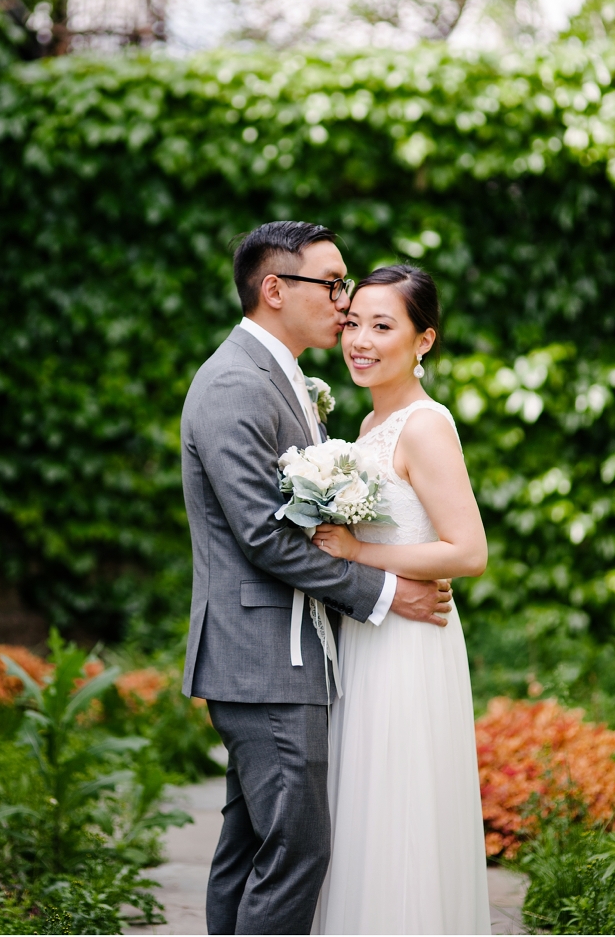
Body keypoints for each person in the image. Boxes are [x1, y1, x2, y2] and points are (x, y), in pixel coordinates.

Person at [181, 223, 453, 936]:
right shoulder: (236, 381)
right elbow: (266, 537)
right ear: (275, 289)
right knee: (297, 851)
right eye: (333, 286)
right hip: (264, 657)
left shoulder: (287, 378)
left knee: (254, 851)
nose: (343, 302)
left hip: (292, 654)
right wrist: (388, 593)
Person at [311, 264, 492, 935]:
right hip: (370, 633)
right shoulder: (366, 422)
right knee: (366, 809)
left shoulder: (424, 424)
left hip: (410, 644)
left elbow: (467, 551)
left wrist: (359, 554)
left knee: (402, 810)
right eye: (353, 322)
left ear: (424, 340)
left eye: (382, 325)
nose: (360, 339)